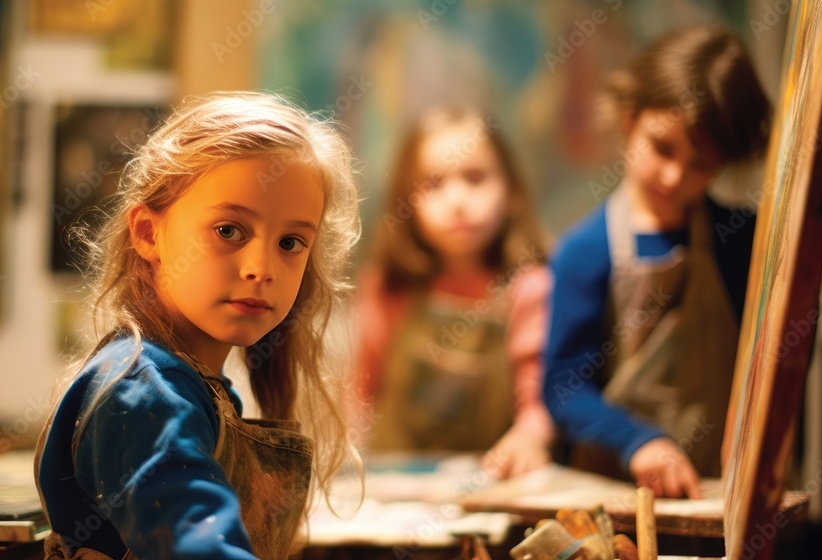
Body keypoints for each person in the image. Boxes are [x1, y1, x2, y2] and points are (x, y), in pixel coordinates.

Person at [34, 92, 362, 559]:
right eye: (229, 230)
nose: (261, 268)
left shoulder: (190, 384)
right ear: (149, 234)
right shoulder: (144, 391)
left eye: (290, 241)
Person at [542, 25, 771, 498]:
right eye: (662, 147)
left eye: (700, 165)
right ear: (629, 120)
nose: (674, 176)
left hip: (716, 494)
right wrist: (639, 441)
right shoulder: (584, 250)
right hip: (612, 496)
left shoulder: (744, 240)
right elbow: (564, 389)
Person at [353, 106, 556, 478]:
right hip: (394, 485)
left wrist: (531, 437)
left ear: (512, 192)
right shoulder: (389, 286)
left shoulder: (529, 289)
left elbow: (537, 402)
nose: (457, 200)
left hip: (490, 485)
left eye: (475, 178)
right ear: (406, 202)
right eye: (433, 183)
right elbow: (362, 393)